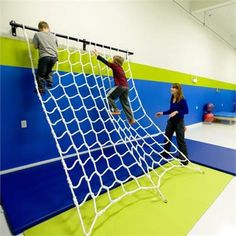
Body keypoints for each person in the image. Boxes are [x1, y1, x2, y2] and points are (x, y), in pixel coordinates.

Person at [93, 49, 135, 125]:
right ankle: (131, 119)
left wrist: (97, 55)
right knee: (125, 103)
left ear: (115, 61)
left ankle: (116, 110)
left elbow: (105, 62)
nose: (112, 61)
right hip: (126, 87)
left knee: (108, 96)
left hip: (120, 86)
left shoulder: (115, 65)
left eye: (113, 60)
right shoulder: (121, 68)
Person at [155, 83, 189, 165]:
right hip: (171, 121)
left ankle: (184, 159)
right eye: (171, 87)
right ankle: (166, 153)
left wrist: (177, 112)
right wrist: (162, 113)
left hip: (179, 122)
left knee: (180, 140)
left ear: (178, 89)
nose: (171, 89)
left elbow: (186, 111)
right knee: (167, 137)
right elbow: (171, 111)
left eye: (173, 88)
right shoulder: (172, 98)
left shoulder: (182, 99)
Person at [32, 21, 58, 95]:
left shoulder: (37, 34)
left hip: (44, 56)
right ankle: (49, 82)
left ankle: (41, 89)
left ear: (40, 28)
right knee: (48, 71)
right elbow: (56, 46)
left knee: (40, 74)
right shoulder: (54, 36)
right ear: (48, 28)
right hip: (54, 57)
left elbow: (35, 46)